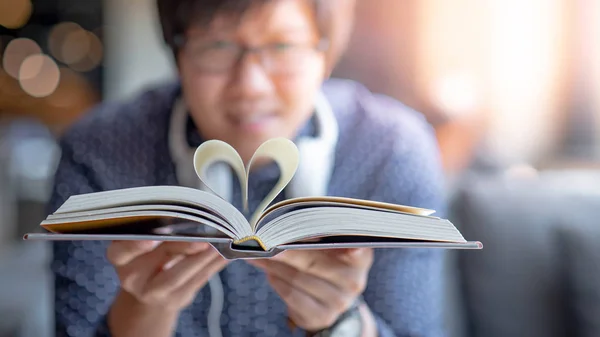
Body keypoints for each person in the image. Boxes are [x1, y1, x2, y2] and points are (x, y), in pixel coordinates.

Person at [50, 0, 448, 336]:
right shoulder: (98, 151)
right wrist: (142, 308)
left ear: (324, 55)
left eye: (282, 46)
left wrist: (338, 321)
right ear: (177, 55)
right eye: (217, 46)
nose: (250, 85)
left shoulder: (392, 149)